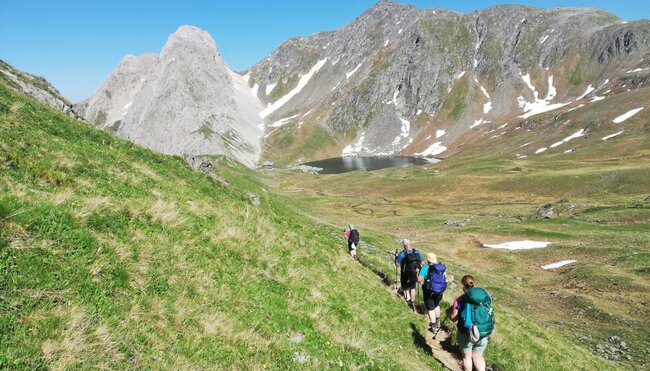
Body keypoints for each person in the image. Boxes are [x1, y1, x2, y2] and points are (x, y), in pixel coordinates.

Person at [450, 275, 494, 371]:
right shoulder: (485, 297)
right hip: (483, 332)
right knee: (478, 356)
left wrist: (450, 312)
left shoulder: (460, 299)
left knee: (467, 356)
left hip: (466, 332)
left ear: (463, 286)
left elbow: (453, 318)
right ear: (474, 284)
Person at [417, 253, 449, 333]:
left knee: (430, 308)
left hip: (429, 291)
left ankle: (434, 326)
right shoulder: (440, 268)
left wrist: (418, 272)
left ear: (428, 260)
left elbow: (419, 280)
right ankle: (438, 321)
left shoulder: (425, 268)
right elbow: (446, 279)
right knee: (436, 305)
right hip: (439, 291)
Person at [394, 239, 424, 310]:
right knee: (412, 288)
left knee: (405, 288)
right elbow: (422, 262)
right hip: (414, 273)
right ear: (410, 243)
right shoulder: (416, 252)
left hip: (405, 274)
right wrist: (418, 269)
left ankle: (408, 302)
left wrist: (396, 257)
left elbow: (397, 264)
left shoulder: (402, 254)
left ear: (404, 245)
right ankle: (412, 302)